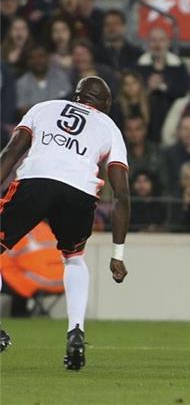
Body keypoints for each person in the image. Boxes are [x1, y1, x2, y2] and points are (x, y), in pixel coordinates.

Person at [0, 76, 130, 368]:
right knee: (73, 258)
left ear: (76, 95)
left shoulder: (43, 107)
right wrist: (118, 254)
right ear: (106, 104)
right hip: (79, 191)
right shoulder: (109, 127)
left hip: (35, 181)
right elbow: (121, 194)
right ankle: (76, 332)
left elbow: (11, 153)